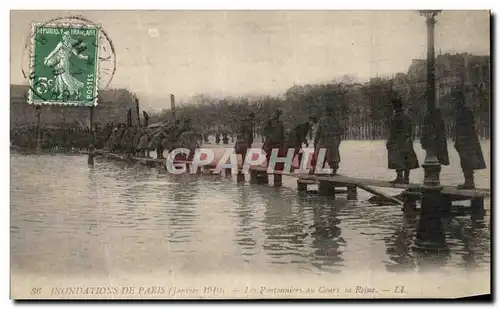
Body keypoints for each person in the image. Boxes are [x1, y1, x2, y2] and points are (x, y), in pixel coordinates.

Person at [452, 90, 486, 189]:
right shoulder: (462, 111)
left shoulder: (464, 112)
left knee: (467, 161)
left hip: (467, 141)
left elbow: (466, 127)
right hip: (465, 140)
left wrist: (460, 140)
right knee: (465, 161)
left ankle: (469, 182)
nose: (454, 103)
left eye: (456, 101)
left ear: (460, 101)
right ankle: (468, 181)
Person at [386, 97, 419, 184]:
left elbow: (392, 131)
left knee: (398, 159)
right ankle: (406, 178)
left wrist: (389, 141)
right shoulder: (407, 116)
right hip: (407, 141)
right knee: (407, 160)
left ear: (394, 107)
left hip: (397, 142)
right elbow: (411, 128)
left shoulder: (395, 117)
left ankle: (399, 177)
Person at [312, 104, 343, 175]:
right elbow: (340, 132)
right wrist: (337, 143)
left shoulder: (321, 121)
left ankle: (320, 172)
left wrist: (315, 143)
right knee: (333, 159)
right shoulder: (335, 121)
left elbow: (317, 133)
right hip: (332, 143)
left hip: (323, 142)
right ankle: (333, 172)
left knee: (320, 158)